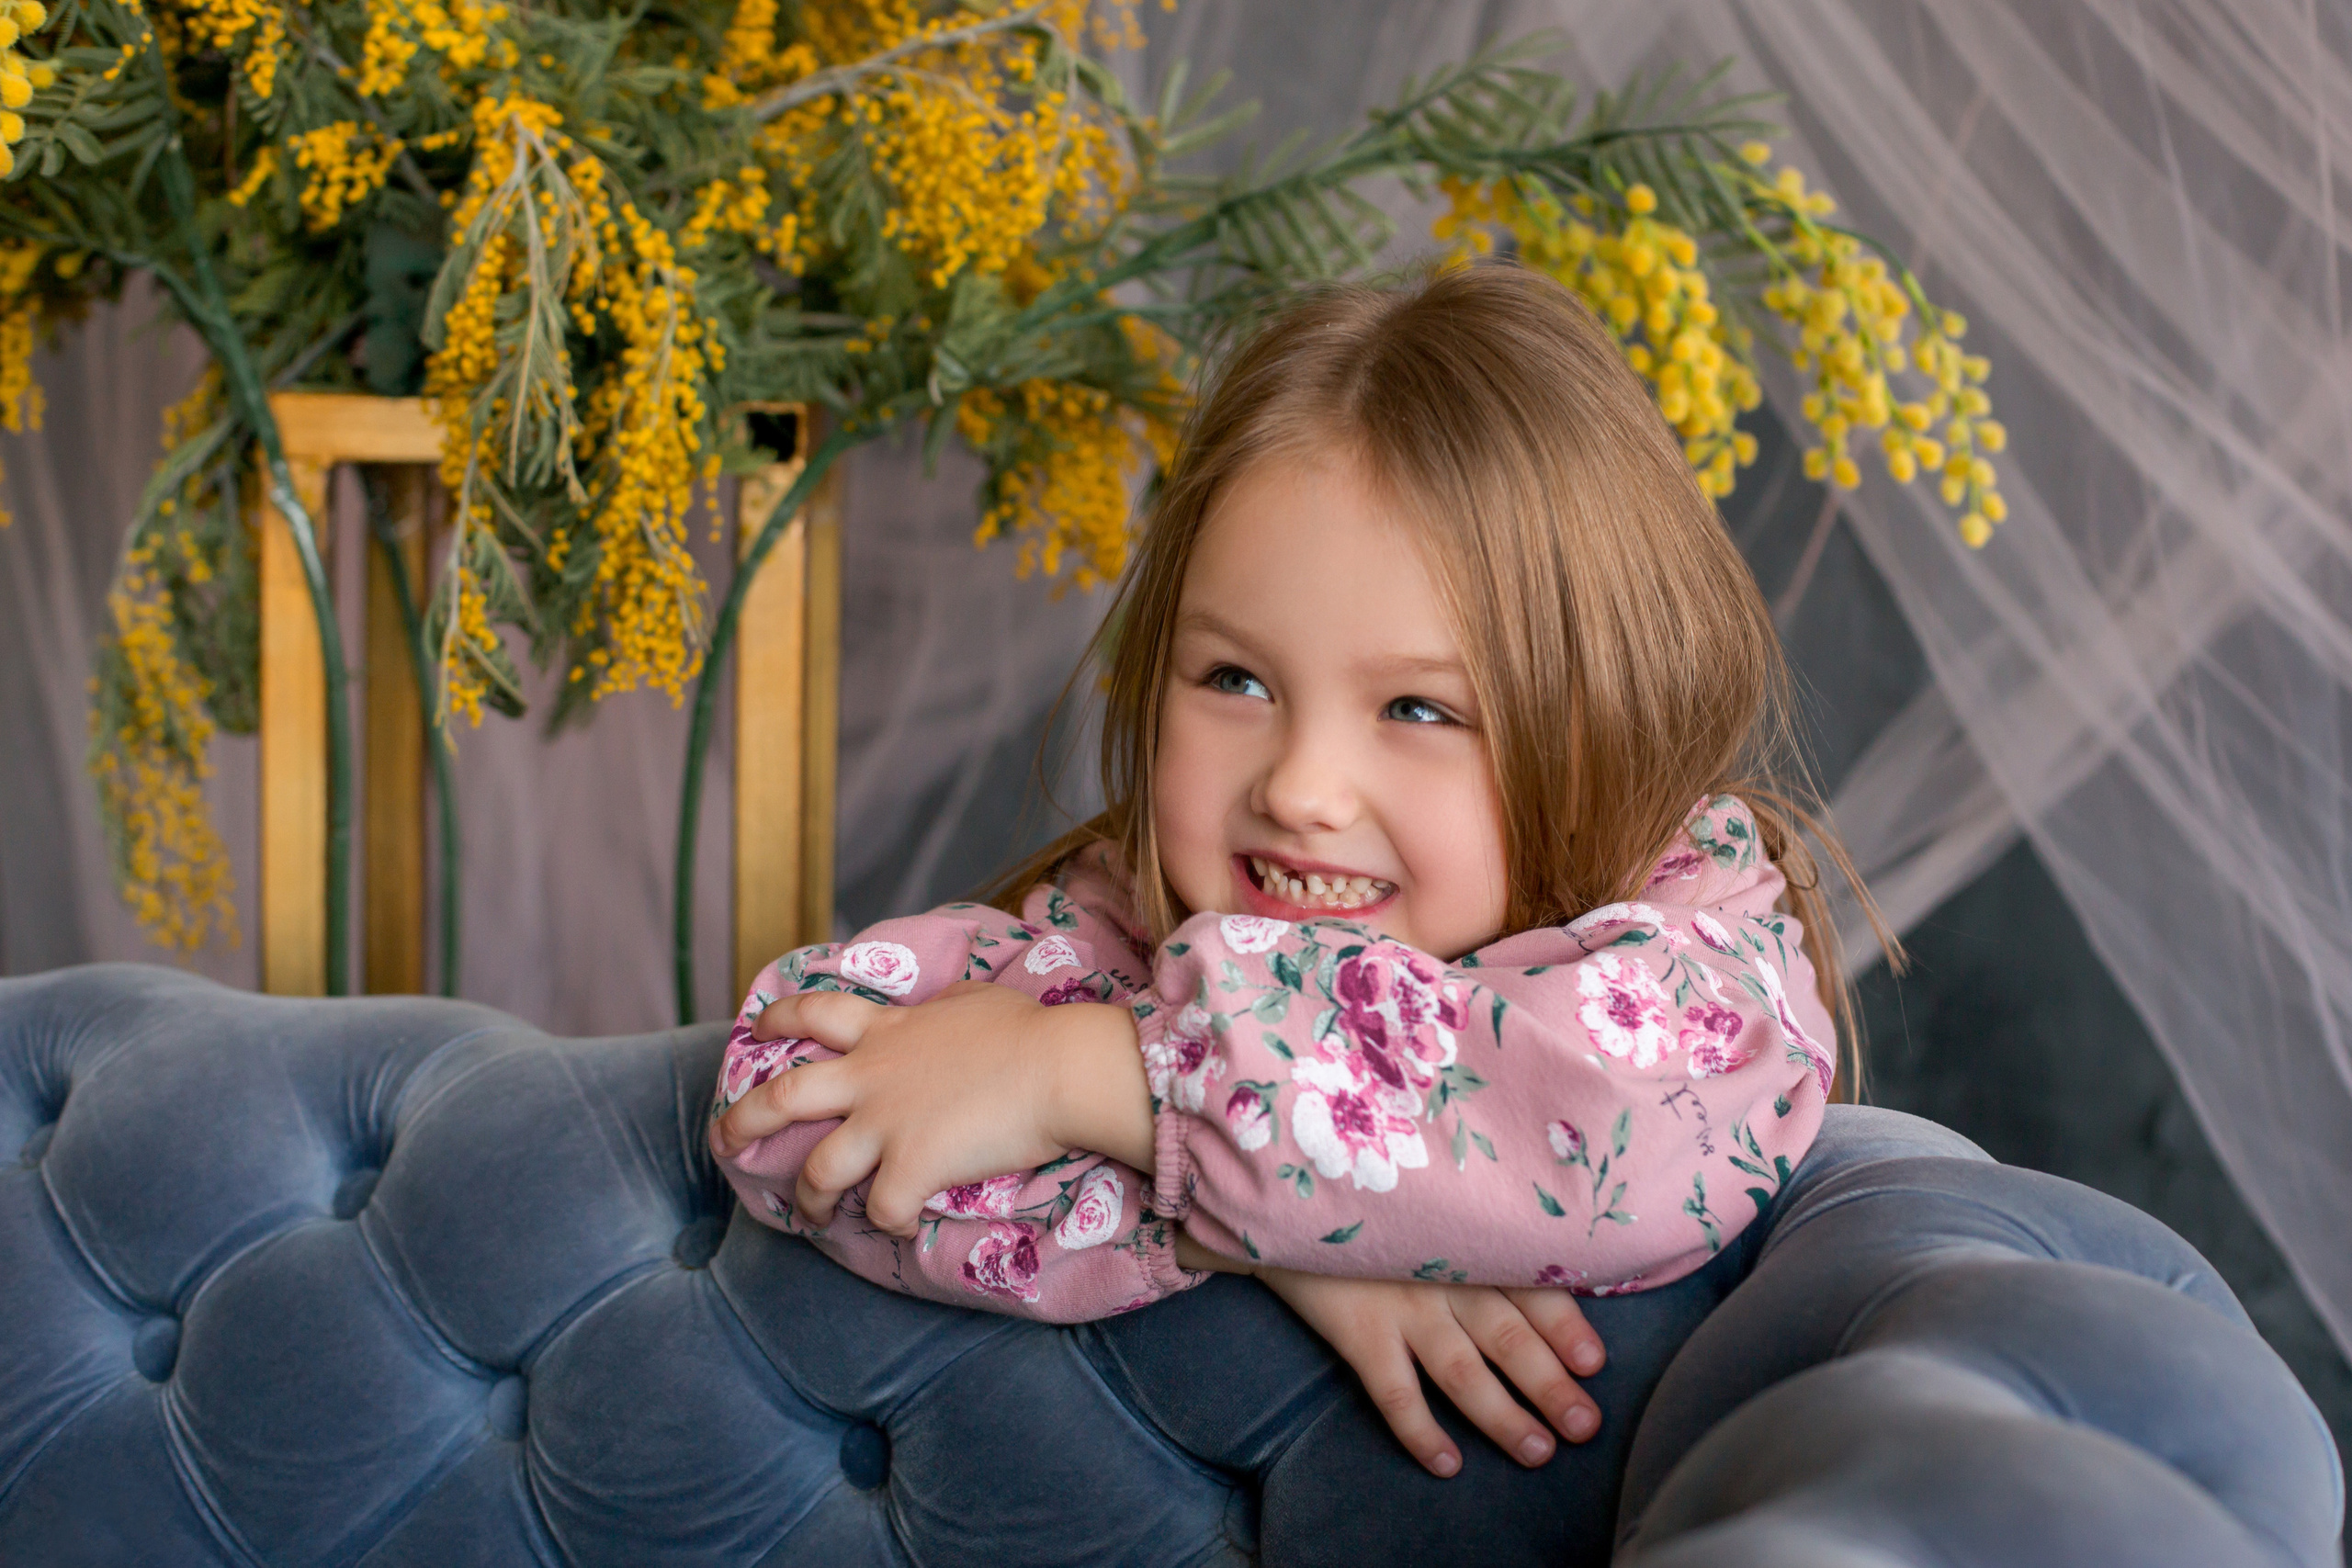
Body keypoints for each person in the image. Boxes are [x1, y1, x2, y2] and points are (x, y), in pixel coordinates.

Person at [710, 261, 1881, 1483]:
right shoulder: (1128, 931)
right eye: (1236, 682)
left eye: (1420, 708)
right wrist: (1273, 1236)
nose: (1300, 787)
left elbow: (1594, 1124)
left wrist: (1100, 1082)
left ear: (1607, 723)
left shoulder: (1692, 964)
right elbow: (780, 1094)